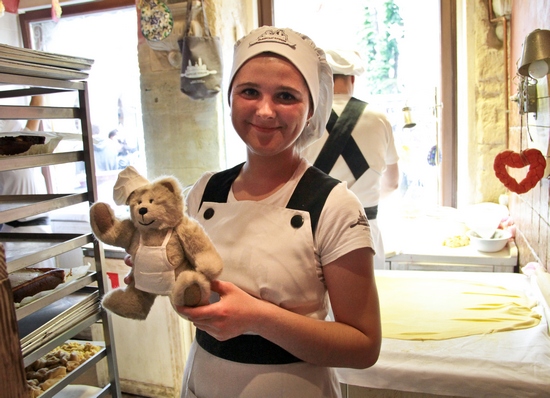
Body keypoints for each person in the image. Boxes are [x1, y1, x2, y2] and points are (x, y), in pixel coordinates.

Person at [172, 26, 381, 397]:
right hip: (204, 381)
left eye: (286, 96)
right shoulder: (204, 193)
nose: (265, 111)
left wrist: (255, 317)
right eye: (249, 91)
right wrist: (156, 267)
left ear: (312, 107)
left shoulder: (333, 205)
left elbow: (364, 346)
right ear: (231, 98)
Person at [302, 49, 400, 270]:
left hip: (313, 232)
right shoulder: (379, 118)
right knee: (365, 303)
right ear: (352, 79)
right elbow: (392, 183)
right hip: (365, 231)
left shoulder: (306, 118)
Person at [0, 95, 56, 268]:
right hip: (13, 232)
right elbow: (37, 103)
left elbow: (37, 103)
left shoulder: (25, 147)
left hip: (36, 228)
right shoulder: (21, 147)